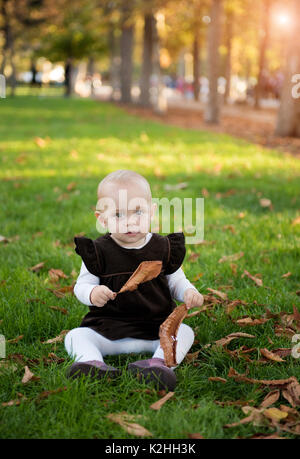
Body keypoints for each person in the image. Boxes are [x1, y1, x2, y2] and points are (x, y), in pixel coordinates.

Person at [64, 169, 204, 390]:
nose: (130, 222)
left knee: (185, 332)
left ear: (152, 212)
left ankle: (158, 365)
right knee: (75, 336)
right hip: (108, 329)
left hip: (156, 329)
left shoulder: (163, 248)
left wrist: (188, 292)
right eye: (118, 215)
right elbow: (81, 286)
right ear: (102, 219)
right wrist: (91, 293)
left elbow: (176, 281)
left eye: (138, 212)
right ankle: (92, 363)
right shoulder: (98, 252)